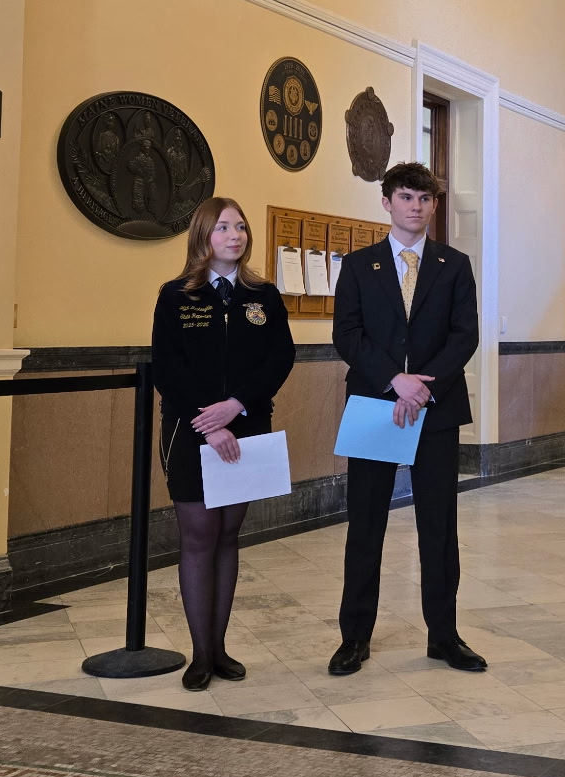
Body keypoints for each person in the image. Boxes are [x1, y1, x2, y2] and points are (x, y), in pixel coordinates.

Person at [328, 161, 485, 678]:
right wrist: (395, 380)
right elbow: (347, 334)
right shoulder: (359, 265)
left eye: (424, 198)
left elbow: (464, 335)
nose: (415, 206)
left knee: (438, 528)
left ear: (434, 206)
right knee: (365, 525)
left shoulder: (454, 264)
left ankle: (444, 637)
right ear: (387, 203)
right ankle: (354, 638)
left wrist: (423, 388)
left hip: (435, 411)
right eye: (406, 197)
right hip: (376, 406)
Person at [152, 196, 295, 691]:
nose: (235, 236)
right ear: (203, 236)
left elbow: (279, 358)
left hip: (247, 426)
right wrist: (209, 423)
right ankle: (199, 655)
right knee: (199, 537)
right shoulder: (176, 296)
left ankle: (219, 648)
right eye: (223, 228)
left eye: (241, 227)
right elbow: (168, 367)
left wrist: (235, 406)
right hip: (190, 431)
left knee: (229, 536)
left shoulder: (263, 296)